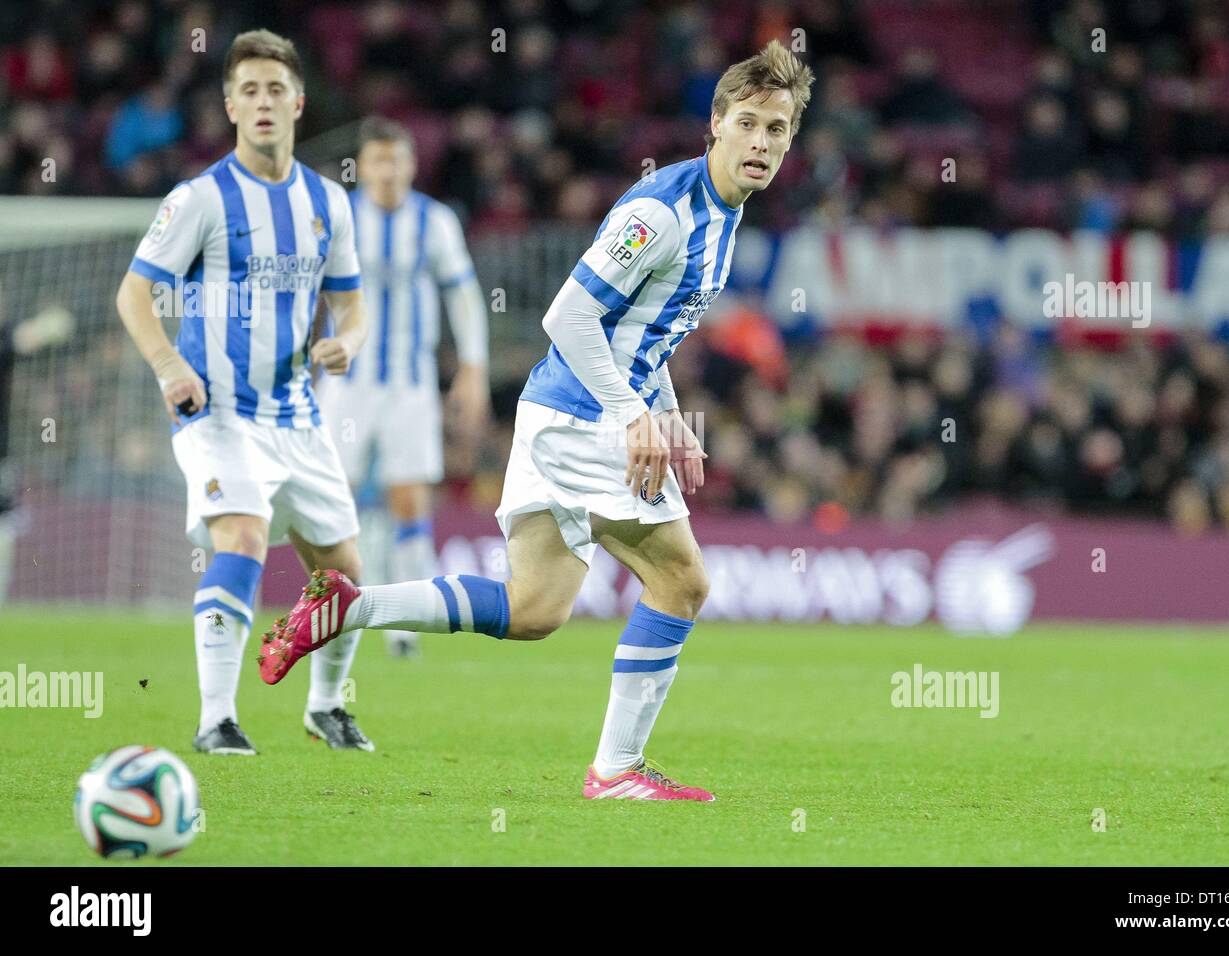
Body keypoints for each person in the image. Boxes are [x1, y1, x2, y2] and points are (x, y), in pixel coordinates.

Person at [260, 41, 815, 800]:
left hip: (565, 415)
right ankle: (617, 771)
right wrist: (631, 414)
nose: (760, 142)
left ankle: (353, 606)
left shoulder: (724, 215)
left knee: (533, 609)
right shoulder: (664, 211)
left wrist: (664, 410)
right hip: (583, 418)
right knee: (682, 582)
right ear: (714, 123)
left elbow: (637, 334)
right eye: (747, 123)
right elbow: (569, 314)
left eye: (777, 129)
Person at [115, 30, 373, 755]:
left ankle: (326, 707)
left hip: (298, 416)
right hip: (218, 414)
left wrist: (345, 344)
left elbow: (354, 305)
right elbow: (135, 296)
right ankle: (216, 720)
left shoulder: (328, 202)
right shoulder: (199, 199)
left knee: (346, 576)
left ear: (297, 101)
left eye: (274, 90)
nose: (263, 102)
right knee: (244, 537)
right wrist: (170, 367)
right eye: (248, 91)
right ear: (231, 106)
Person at [316, 116, 489, 659]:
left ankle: (404, 627)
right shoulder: (339, 217)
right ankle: (327, 612)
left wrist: (473, 366)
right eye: (378, 161)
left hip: (409, 386)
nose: (388, 171)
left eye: (397, 160)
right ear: (362, 167)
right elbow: (309, 289)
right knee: (331, 500)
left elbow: (462, 294)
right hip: (346, 382)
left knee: (409, 500)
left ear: (411, 166)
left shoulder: (433, 221)